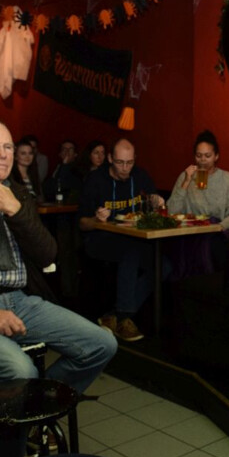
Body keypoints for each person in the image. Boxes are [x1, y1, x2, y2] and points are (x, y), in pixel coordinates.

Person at [0, 119, 117, 457]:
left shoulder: (18, 192)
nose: (4, 154)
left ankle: (30, 417)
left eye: (9, 146)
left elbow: (49, 253)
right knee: (20, 370)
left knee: (102, 343)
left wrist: (16, 210)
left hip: (21, 300)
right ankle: (10, 446)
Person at [78, 138, 166, 342]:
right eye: (119, 163)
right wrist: (96, 219)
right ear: (110, 159)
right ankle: (125, 317)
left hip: (134, 239)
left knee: (164, 265)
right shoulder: (96, 180)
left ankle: (114, 315)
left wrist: (156, 201)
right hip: (100, 239)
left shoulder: (140, 175)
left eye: (129, 163)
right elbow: (82, 223)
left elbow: (153, 202)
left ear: (135, 159)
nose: (125, 168)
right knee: (131, 252)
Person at [167, 130, 229, 277]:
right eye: (199, 156)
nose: (203, 160)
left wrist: (220, 226)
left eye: (208, 156)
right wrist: (187, 181)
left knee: (212, 247)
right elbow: (171, 211)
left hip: (215, 232)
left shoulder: (227, 179)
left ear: (216, 156)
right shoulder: (186, 176)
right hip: (188, 233)